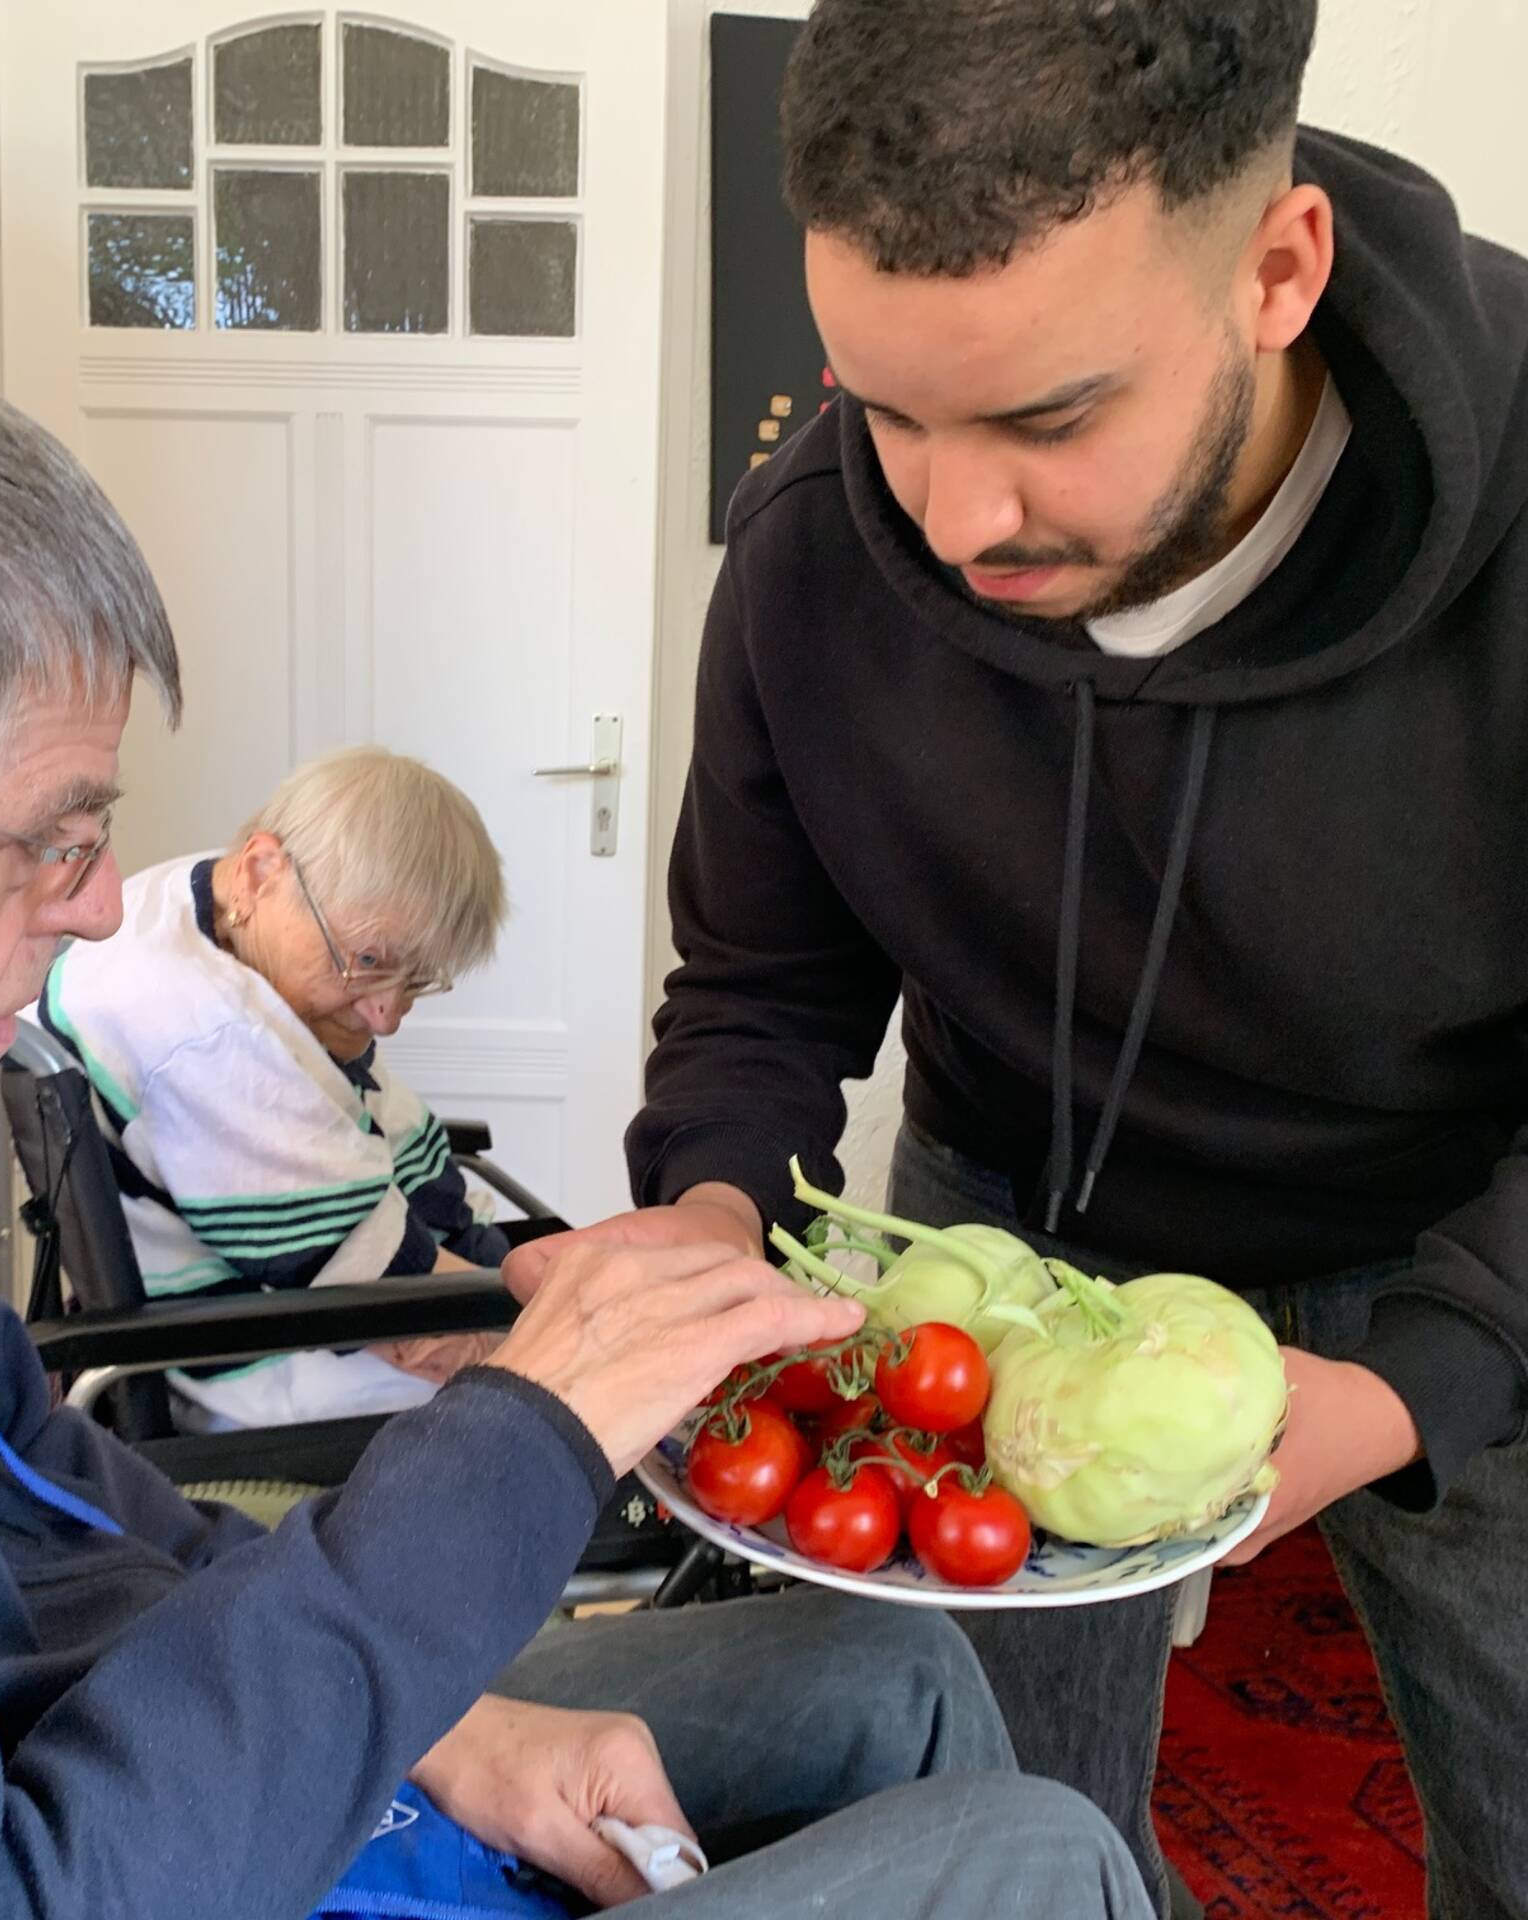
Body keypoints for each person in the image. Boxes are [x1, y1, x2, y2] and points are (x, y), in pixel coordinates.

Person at [0, 348, 1151, 1920]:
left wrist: (447, 1725)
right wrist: (525, 1440)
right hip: (135, 1848)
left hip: (159, 1757)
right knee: (1046, 1858)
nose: (91, 902)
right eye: (55, 838)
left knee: (891, 1662)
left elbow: (54, 1484)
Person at [509, 4, 1528, 1917]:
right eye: (884, 405)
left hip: (1472, 1231)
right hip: (1015, 1222)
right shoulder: (816, 551)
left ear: (1279, 269)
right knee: (1000, 1826)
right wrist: (714, 1211)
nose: (952, 520)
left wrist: (1424, 1382)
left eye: (1049, 418)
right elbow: (758, 985)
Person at [34, 747, 512, 1428]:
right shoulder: (213, 1041)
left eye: (414, 981)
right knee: (570, 1396)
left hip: (241, 1288)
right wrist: (549, 1329)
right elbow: (395, 1298)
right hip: (250, 1361)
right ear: (262, 870)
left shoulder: (191, 897)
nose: (387, 1016)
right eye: (369, 961)